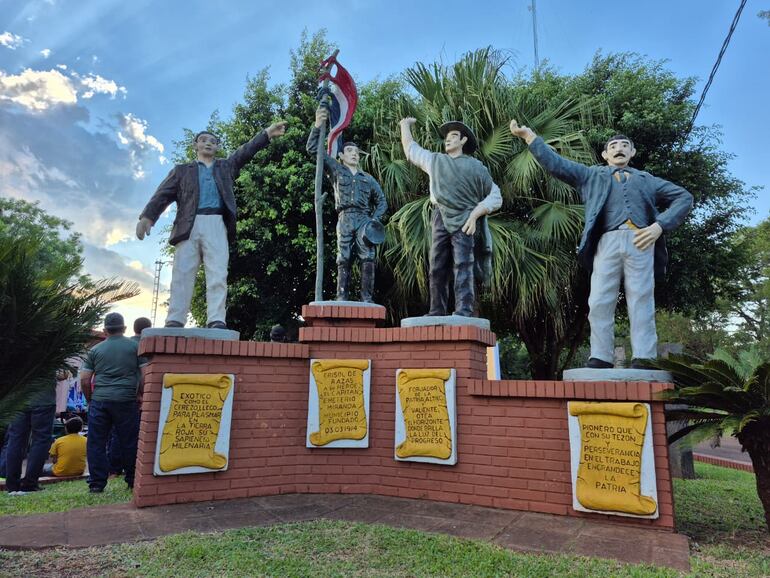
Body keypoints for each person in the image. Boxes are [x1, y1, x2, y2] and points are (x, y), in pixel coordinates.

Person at [510, 120, 693, 368]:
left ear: (632, 153)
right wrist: (530, 137)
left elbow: (684, 197)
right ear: (605, 154)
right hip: (605, 242)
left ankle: (645, 356)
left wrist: (659, 226)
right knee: (599, 300)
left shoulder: (647, 180)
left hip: (641, 240)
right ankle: (601, 356)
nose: (619, 148)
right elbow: (557, 164)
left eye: (625, 145)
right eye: (614, 146)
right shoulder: (591, 175)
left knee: (641, 298)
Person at [136, 122, 287, 329]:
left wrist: (266, 134)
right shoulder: (181, 171)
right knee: (182, 273)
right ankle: (175, 319)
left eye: (213, 142)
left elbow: (245, 151)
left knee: (217, 273)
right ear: (195, 145)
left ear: (217, 148)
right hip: (188, 225)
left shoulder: (225, 166)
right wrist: (147, 217)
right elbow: (162, 195)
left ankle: (216, 319)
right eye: (204, 140)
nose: (208, 144)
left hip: (216, 223)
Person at [399, 118, 502, 316]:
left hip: (465, 220)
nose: (448, 139)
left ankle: (464, 309)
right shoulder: (435, 160)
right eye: (446, 137)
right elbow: (411, 150)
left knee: (463, 264)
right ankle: (436, 310)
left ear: (463, 141)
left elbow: (496, 196)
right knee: (436, 265)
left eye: (453, 136)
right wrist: (405, 126)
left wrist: (475, 214)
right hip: (440, 216)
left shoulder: (477, 167)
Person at [307, 106, 387, 302]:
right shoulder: (336, 169)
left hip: (363, 219)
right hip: (344, 218)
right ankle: (341, 296)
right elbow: (312, 150)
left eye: (356, 152)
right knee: (343, 258)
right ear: (341, 156)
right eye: (349, 151)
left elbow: (382, 201)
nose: (354, 154)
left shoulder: (368, 178)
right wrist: (318, 125)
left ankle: (366, 298)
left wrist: (373, 221)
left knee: (367, 257)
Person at [80, 312, 146, 492]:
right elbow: (144, 376)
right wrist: (140, 395)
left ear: (105, 330)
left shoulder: (95, 350)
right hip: (126, 400)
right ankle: (132, 480)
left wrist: (90, 400)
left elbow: (85, 380)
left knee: (96, 443)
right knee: (129, 441)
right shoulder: (135, 347)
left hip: (100, 401)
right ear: (124, 329)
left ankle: (96, 484)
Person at [4, 379, 56, 494]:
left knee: (15, 440)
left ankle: (12, 485)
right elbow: (62, 373)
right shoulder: (46, 359)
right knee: (40, 440)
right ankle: (30, 483)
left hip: (18, 400)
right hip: (43, 399)